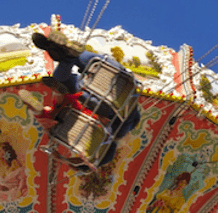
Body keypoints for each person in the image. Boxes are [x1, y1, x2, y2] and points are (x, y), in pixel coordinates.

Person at [31, 31, 142, 167]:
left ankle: (68, 55)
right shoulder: (117, 132)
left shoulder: (127, 117)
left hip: (113, 81)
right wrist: (62, 159)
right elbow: (90, 165)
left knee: (98, 63)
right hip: (104, 102)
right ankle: (67, 58)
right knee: (68, 82)